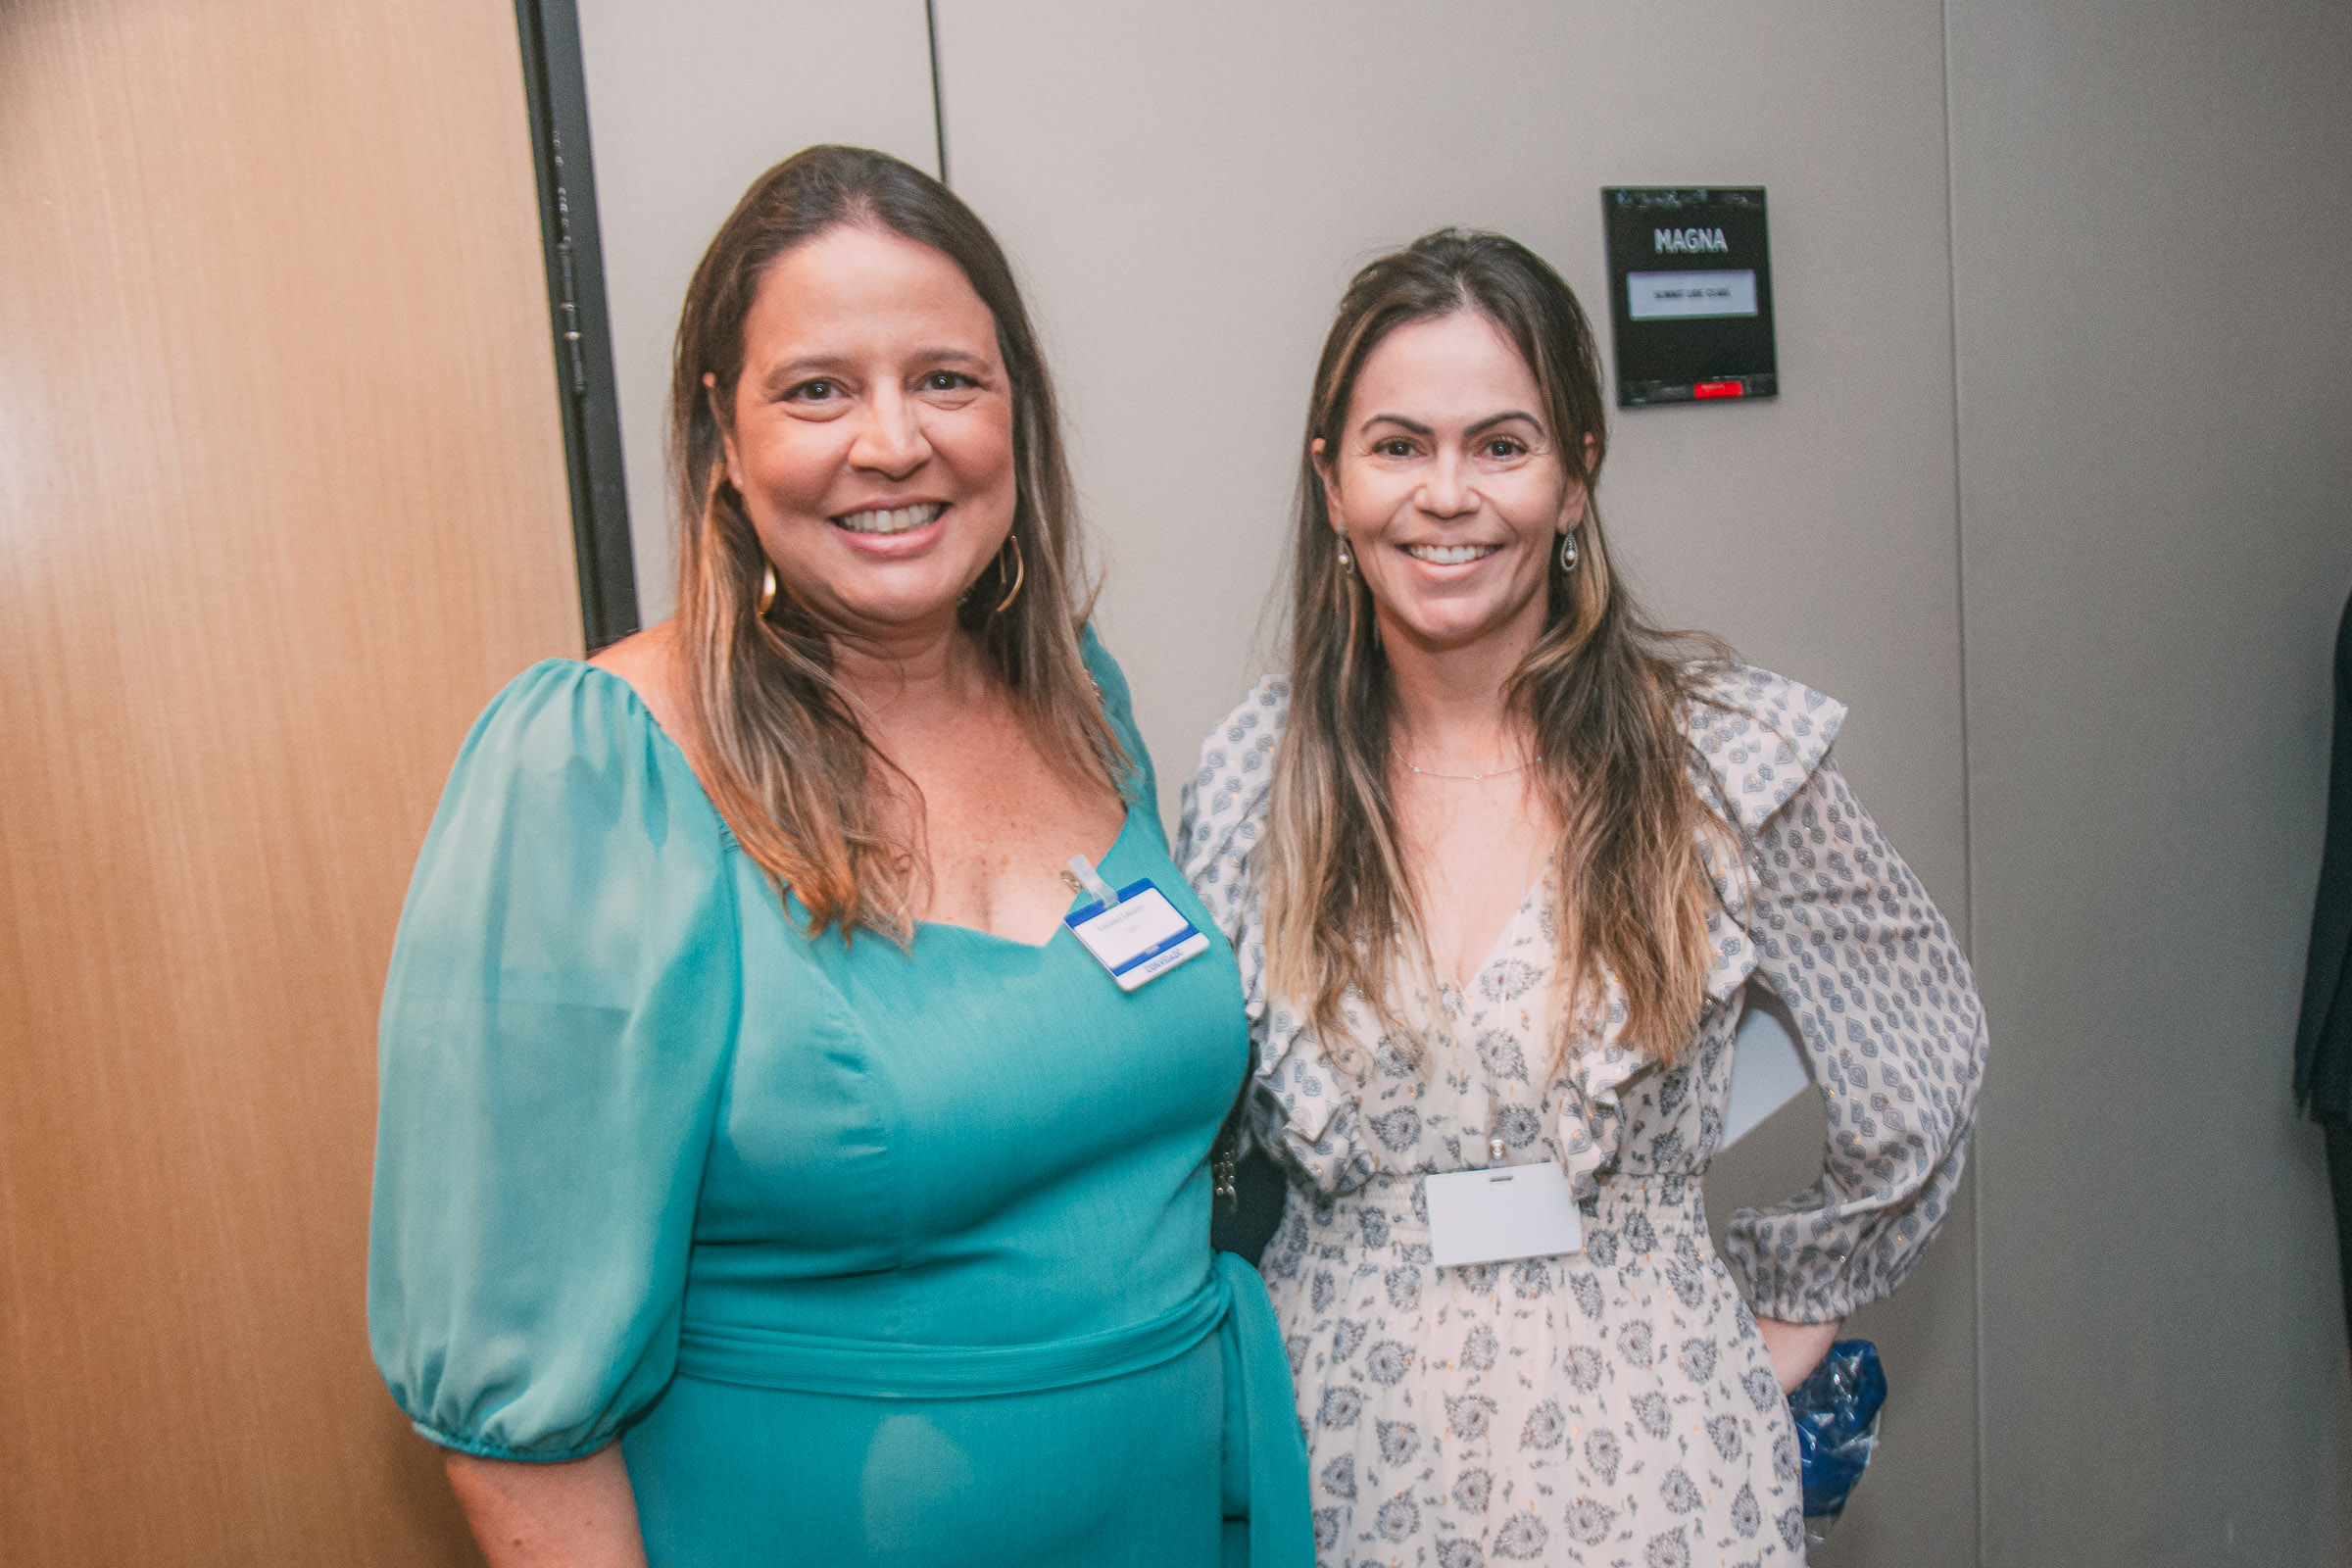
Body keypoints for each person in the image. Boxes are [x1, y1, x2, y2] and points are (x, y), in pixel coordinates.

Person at [369, 146, 1307, 1568]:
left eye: (947, 380)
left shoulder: (1078, 698)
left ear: (1016, 409)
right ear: (723, 434)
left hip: (1171, 1521)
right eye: (818, 390)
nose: (892, 442)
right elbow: (515, 1421)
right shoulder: (600, 771)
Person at [1180, 229, 1986, 1567]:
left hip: (1654, 1445)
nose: (1448, 495)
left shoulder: (1716, 756)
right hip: (1342, 1445)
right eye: (1398, 446)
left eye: (1502, 445)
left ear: (1575, 477)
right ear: (1331, 483)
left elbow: (1921, 1047)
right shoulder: (1255, 775)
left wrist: (1794, 1302)